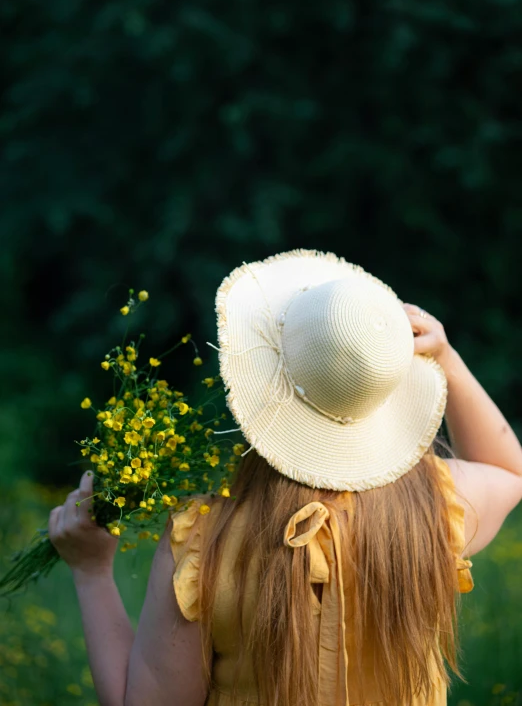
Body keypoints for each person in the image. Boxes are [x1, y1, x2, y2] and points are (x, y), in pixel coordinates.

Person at [49, 250, 522, 706]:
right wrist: (450, 361)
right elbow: (509, 470)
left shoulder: (207, 545)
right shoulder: (435, 507)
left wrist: (92, 573)